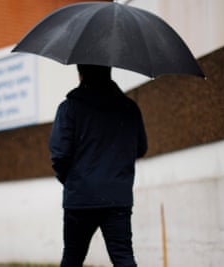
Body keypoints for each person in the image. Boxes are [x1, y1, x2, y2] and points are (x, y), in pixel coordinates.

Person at [49, 64, 148, 267]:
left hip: (80, 198)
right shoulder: (130, 108)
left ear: (80, 74)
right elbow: (141, 148)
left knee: (72, 258)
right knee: (123, 257)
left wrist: (72, 181)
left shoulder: (69, 108)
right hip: (117, 197)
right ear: (109, 70)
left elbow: (59, 155)